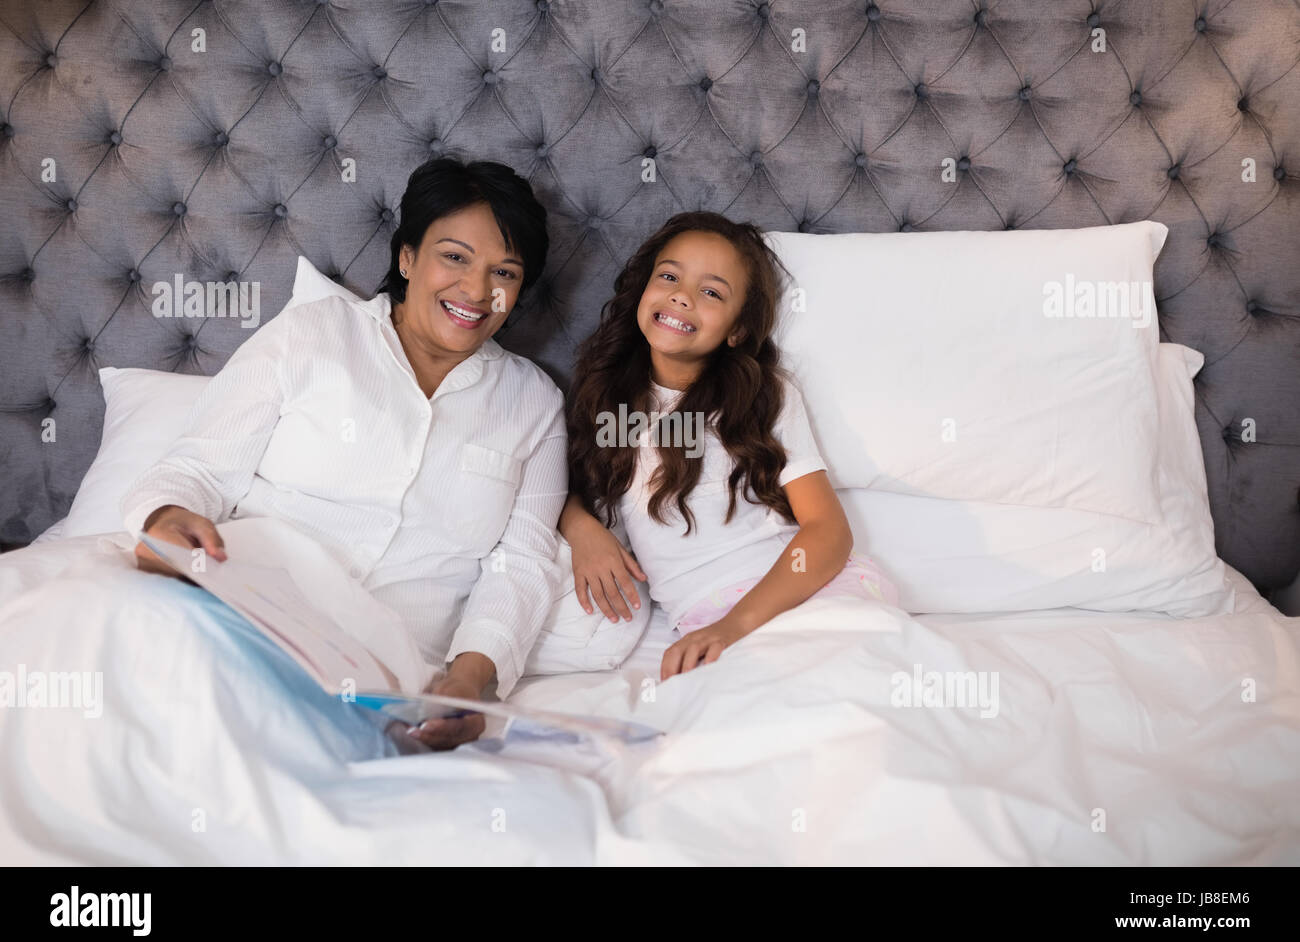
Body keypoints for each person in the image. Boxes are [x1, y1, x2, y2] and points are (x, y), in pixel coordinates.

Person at [123, 157, 565, 750]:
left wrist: (469, 678)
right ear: (407, 256)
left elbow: (523, 563)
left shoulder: (534, 402)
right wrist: (166, 521)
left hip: (388, 677)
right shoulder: (311, 334)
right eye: (455, 257)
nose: (477, 290)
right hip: (238, 618)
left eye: (504, 272)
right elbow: (198, 467)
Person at [560, 212, 899, 681]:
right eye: (669, 276)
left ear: (737, 330)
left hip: (805, 594)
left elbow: (828, 531)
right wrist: (582, 530)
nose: (682, 295)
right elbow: (557, 486)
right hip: (702, 619)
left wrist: (733, 626)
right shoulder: (605, 400)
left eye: (711, 292)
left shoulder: (762, 397)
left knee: (849, 697)